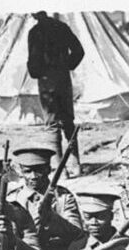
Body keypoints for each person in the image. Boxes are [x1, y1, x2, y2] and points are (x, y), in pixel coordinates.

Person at [9, 146, 84, 250]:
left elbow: (77, 234)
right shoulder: (13, 199)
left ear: (48, 170)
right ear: (20, 172)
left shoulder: (63, 197)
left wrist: (51, 217)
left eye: (39, 170)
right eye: (27, 171)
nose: (33, 176)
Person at [27, 12, 85, 177]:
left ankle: (60, 169)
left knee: (52, 124)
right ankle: (76, 165)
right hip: (63, 80)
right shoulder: (61, 27)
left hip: (47, 82)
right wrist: (67, 65)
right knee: (68, 122)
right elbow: (79, 51)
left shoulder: (35, 32)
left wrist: (37, 72)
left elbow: (33, 60)